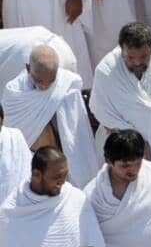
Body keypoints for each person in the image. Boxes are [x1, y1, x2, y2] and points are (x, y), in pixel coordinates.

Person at [0, 148, 104, 247]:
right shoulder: (9, 213)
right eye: (56, 177)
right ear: (36, 175)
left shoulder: (75, 198)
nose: (62, 182)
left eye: (65, 175)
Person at [1, 45, 97, 186]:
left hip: (61, 158)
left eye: (51, 81)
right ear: (28, 68)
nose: (45, 86)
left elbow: (75, 135)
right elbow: (12, 138)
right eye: (39, 81)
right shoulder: (14, 93)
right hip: (29, 161)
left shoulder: (67, 86)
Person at [89, 23, 151, 148]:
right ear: (121, 49)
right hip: (123, 146)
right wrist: (140, 147)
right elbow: (104, 114)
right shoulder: (106, 71)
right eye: (130, 57)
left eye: (144, 56)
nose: (138, 62)